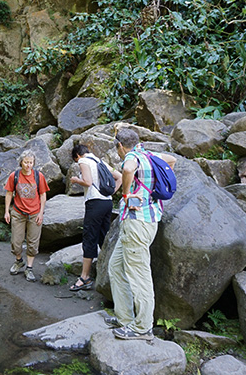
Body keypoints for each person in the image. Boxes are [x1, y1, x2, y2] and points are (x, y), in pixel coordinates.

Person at [106, 127, 176, 341]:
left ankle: (142, 328)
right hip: (148, 219)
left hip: (137, 224)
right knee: (115, 267)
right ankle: (125, 318)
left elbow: (127, 169)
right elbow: (171, 161)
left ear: (120, 145)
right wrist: (153, 192)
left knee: (139, 276)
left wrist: (126, 194)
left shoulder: (133, 157)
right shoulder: (150, 154)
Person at [68, 144, 121, 292]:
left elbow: (88, 182)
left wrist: (75, 180)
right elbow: (120, 177)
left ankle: (84, 277)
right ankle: (109, 272)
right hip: (107, 203)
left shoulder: (83, 161)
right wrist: (109, 194)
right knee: (104, 237)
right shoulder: (100, 161)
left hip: (95, 204)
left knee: (89, 237)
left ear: (77, 156)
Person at [4, 150, 50, 282]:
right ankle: (19, 261)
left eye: (31, 162)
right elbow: (8, 193)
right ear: (21, 162)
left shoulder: (38, 176)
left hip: (35, 213)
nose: (28, 165)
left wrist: (41, 213)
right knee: (16, 242)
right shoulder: (15, 176)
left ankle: (29, 268)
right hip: (18, 212)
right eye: (26, 162)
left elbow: (43, 195)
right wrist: (7, 211)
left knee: (33, 243)